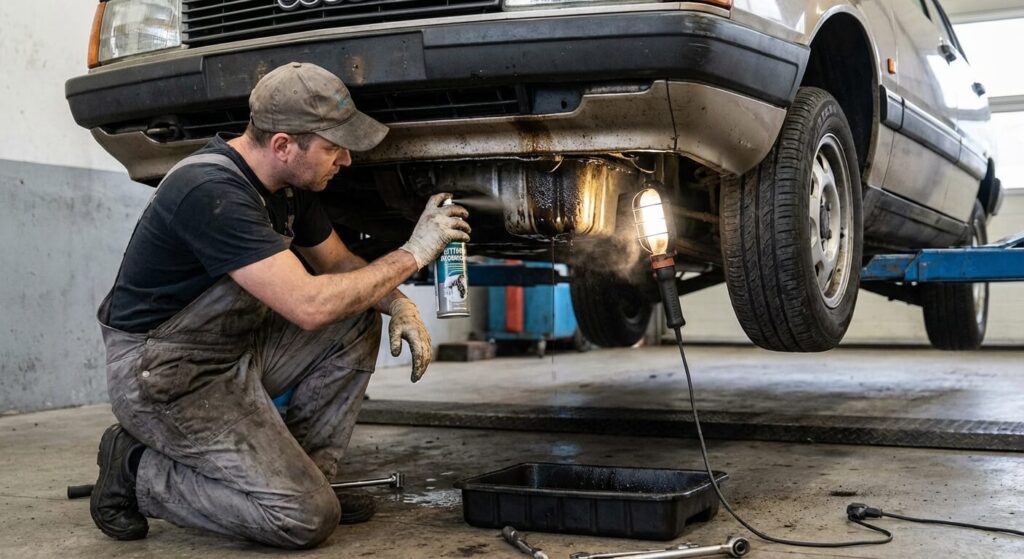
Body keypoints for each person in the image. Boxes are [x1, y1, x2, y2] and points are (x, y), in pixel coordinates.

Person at [88, 62, 470, 549]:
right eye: (334, 148)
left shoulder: (291, 185)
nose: (347, 161)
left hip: (231, 352)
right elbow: (309, 305)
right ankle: (134, 469)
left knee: (355, 317)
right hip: (164, 376)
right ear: (284, 145)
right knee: (304, 519)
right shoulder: (209, 191)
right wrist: (414, 252)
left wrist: (397, 304)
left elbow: (338, 265)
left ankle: (308, 476)